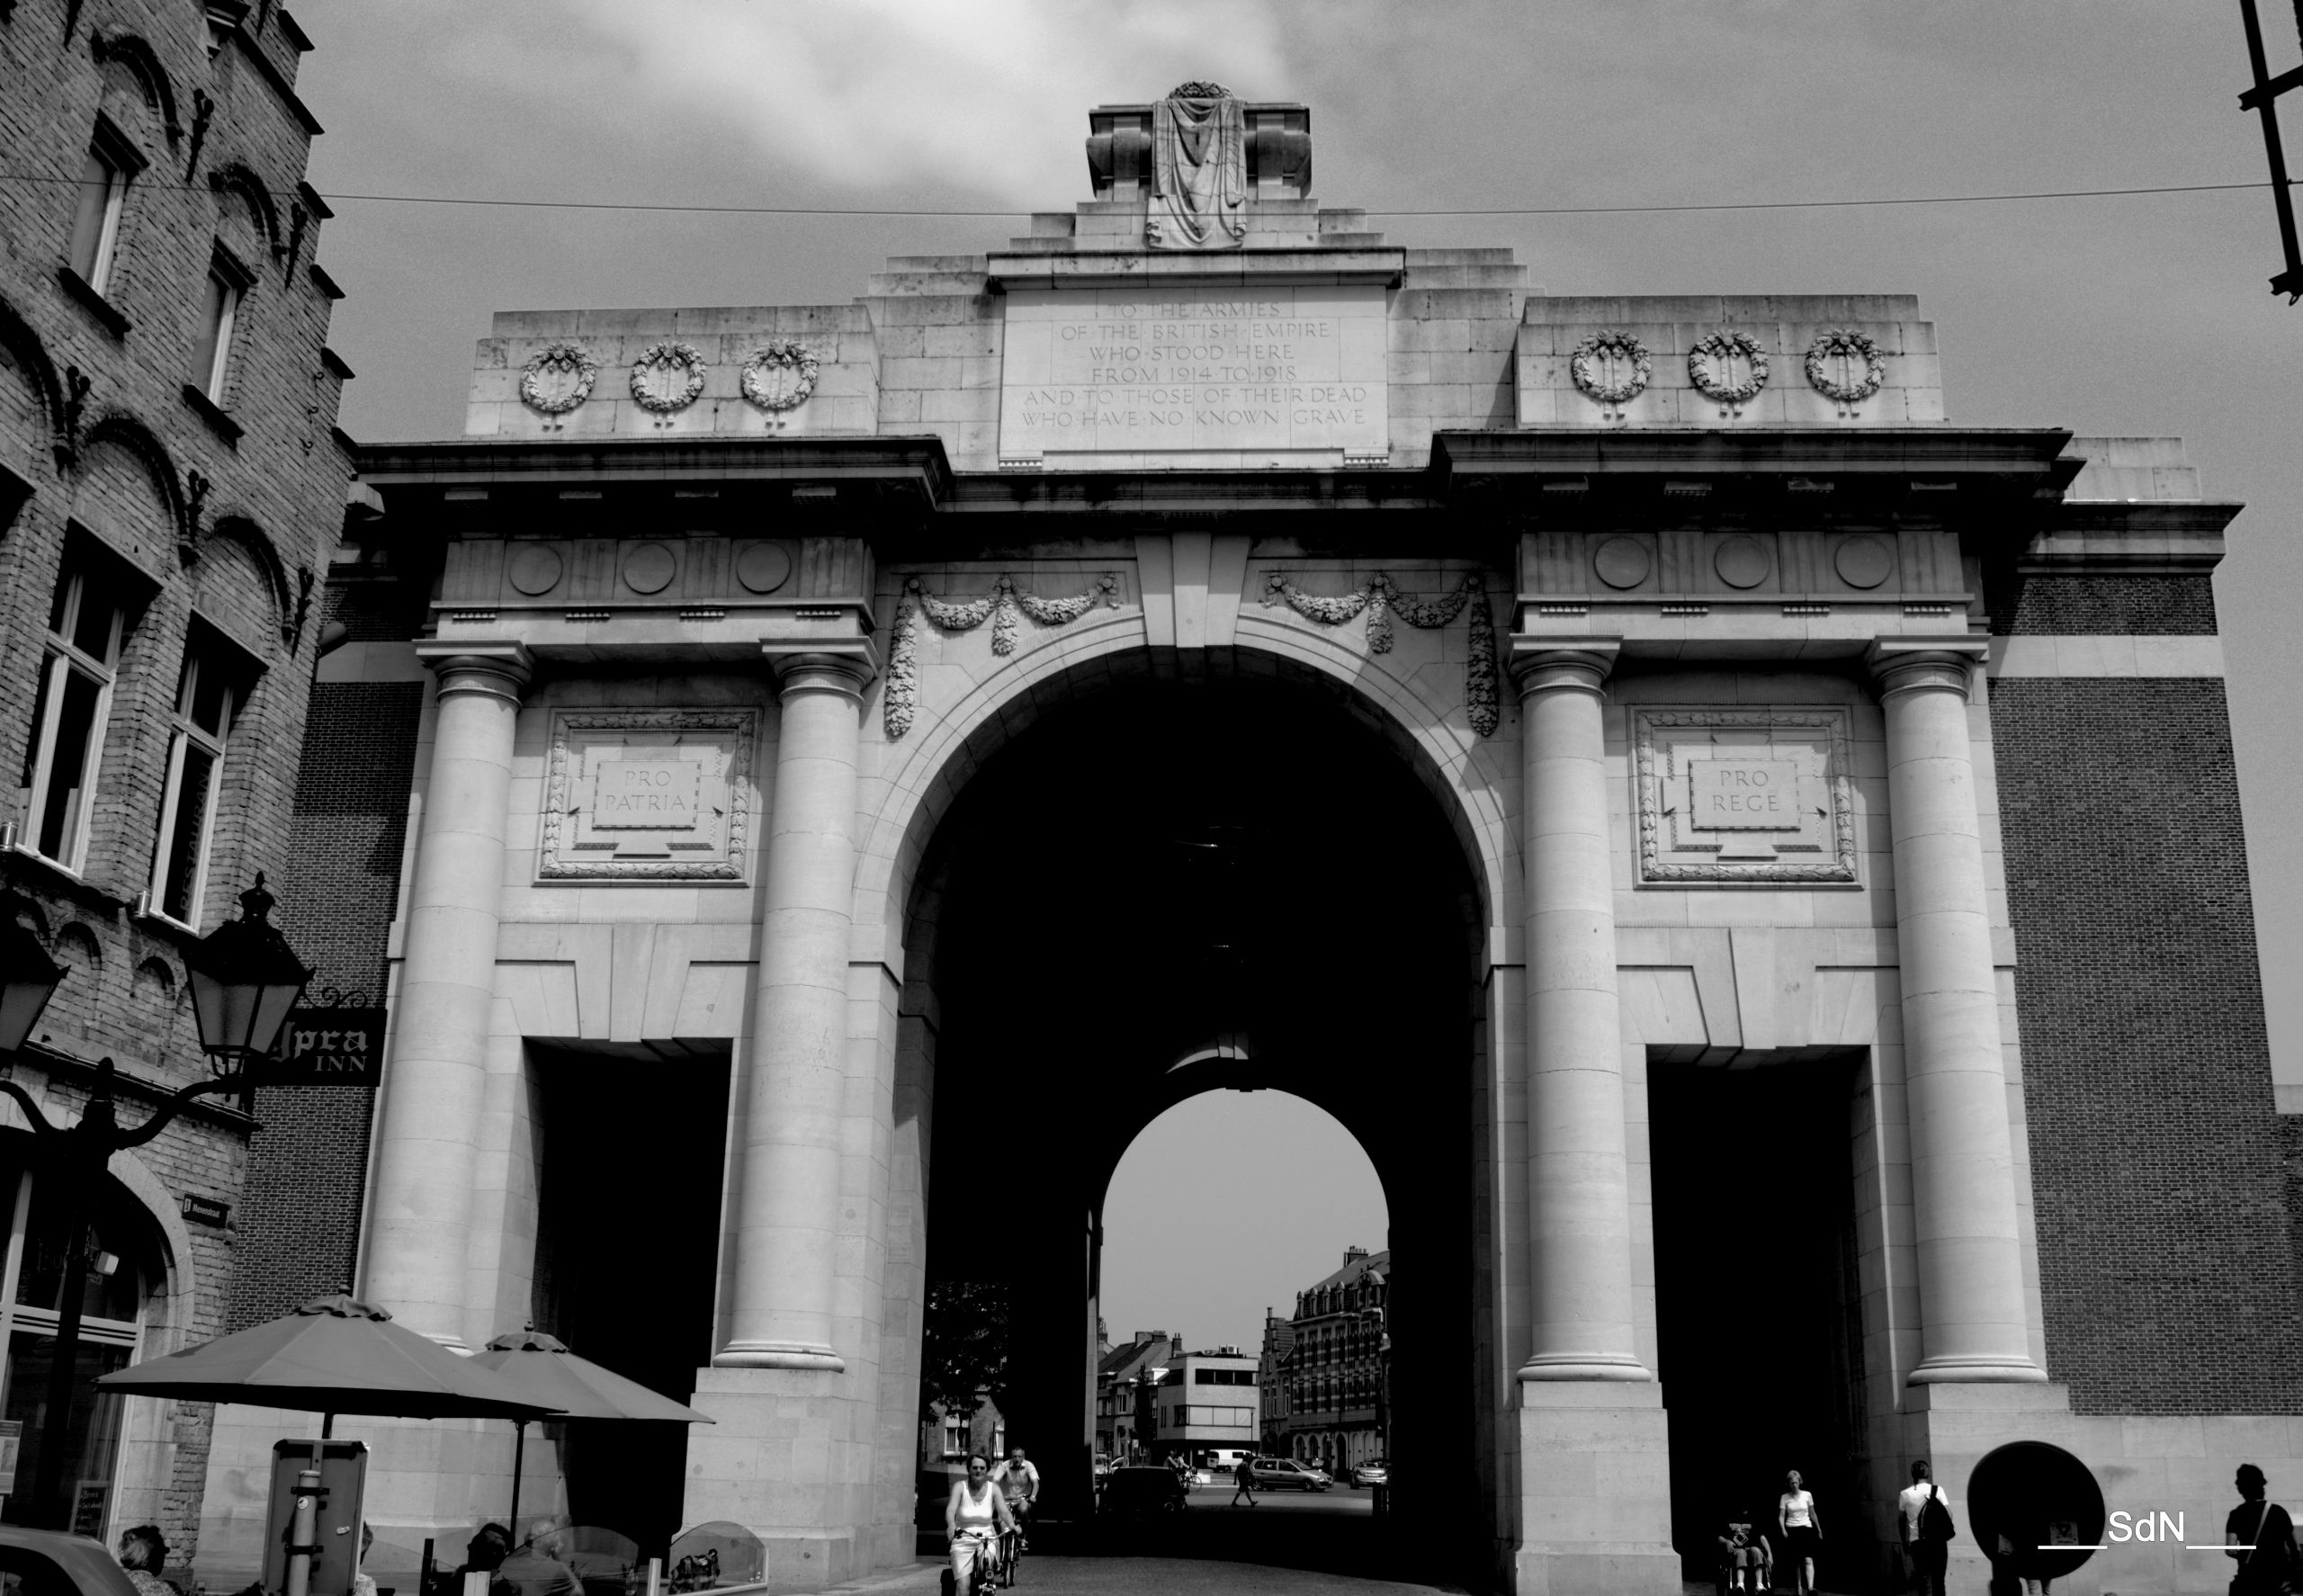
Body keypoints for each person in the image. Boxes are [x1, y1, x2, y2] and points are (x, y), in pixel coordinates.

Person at [946, 1453, 1017, 1596]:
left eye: (982, 1468)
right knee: (962, 1587)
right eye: (975, 1467)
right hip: (963, 1538)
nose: (978, 1470)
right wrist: (951, 1525)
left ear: (987, 1470)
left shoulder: (994, 1489)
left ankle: (987, 1585)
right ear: (969, 1470)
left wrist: (1012, 1525)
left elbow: (1004, 1511)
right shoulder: (960, 1487)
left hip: (986, 1538)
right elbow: (950, 1510)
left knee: (986, 1568)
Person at [2227, 1464, 2299, 1596]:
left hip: (2249, 1580)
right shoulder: (2279, 1512)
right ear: (2261, 1486)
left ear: (2241, 1489)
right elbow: (2294, 1547)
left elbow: (2230, 1550)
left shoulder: (2236, 1514)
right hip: (2275, 1580)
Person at [1899, 1460, 1952, 1596]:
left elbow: (1901, 1520)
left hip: (1918, 1543)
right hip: (1938, 1542)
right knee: (1939, 1581)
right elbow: (1949, 1515)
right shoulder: (1937, 1490)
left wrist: (1905, 1542)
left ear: (1912, 1474)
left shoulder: (1905, 1494)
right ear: (1927, 1473)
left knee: (1923, 1582)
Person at [494, 1518, 585, 1596]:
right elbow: (579, 1594)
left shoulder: (510, 1560)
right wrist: (557, 1558)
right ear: (553, 1543)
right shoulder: (557, 1569)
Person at [1779, 1470, 1822, 1596]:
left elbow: (1812, 1513)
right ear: (1788, 1484)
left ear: (1800, 1482)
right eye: (1792, 1483)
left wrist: (1818, 1529)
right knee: (1796, 1561)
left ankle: (1810, 1587)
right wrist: (1783, 1529)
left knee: (1808, 1559)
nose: (1794, 1485)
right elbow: (1781, 1516)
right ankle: (1798, 1587)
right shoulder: (1785, 1497)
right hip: (1792, 1529)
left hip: (1806, 1528)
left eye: (1796, 1482)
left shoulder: (1807, 1495)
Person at [1719, 1510, 1770, 1594]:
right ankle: (1740, 1586)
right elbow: (1720, 1537)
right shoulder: (1729, 1518)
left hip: (1750, 1548)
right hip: (1736, 1549)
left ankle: (1759, 1585)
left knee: (1757, 1550)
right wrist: (1726, 1541)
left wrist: (1770, 1554)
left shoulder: (1752, 1518)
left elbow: (1762, 1537)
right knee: (1741, 1552)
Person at [116, 1526, 175, 1596]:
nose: (163, 1558)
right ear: (155, 1556)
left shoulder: (115, 1582)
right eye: (162, 1552)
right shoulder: (166, 1589)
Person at [995, 1445, 1040, 1534]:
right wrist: (996, 1495)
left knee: (1024, 1510)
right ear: (1011, 1457)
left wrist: (1033, 1496)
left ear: (1023, 1457)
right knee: (1002, 1514)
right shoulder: (1004, 1465)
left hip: (1021, 1499)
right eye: (1014, 1456)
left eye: (1019, 1456)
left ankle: (1023, 1537)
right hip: (1006, 1499)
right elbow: (995, 1481)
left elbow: (1035, 1482)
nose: (1017, 1459)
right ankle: (1004, 1534)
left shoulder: (1029, 1465)